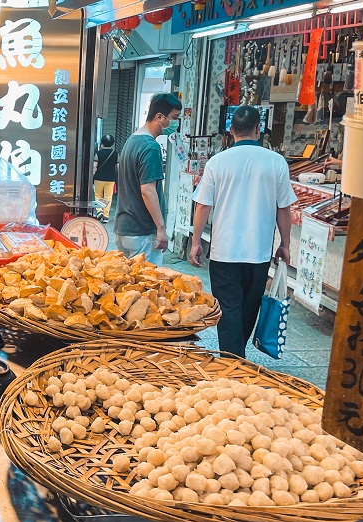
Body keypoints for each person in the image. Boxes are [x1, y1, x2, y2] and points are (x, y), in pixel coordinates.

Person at [188, 105, 297, 359]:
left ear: (230, 130)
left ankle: (232, 358)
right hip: (258, 252)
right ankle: (235, 357)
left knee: (228, 308)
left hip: (224, 250)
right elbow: (284, 209)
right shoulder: (276, 162)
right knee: (249, 307)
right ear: (259, 130)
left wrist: (196, 242)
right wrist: (285, 244)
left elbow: (203, 205)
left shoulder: (218, 162)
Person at [113, 93, 181, 265]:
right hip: (142, 231)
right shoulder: (150, 147)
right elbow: (148, 190)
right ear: (159, 117)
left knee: (129, 286)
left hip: (124, 227)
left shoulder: (131, 140)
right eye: (173, 118)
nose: (175, 124)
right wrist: (161, 228)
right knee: (148, 285)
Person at [93, 134, 117, 222]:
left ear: (102, 143)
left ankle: (99, 211)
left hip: (99, 178)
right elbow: (118, 166)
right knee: (108, 197)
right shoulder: (115, 153)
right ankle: (106, 216)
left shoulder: (98, 153)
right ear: (112, 143)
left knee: (98, 195)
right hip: (110, 178)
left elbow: (95, 166)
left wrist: (93, 174)